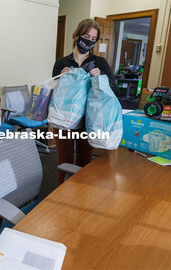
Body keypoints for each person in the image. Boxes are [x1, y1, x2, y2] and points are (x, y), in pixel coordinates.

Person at [51, 18, 119, 185]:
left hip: (89, 121)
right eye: (86, 36)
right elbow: (54, 93)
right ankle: (60, 197)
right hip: (64, 120)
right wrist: (61, 78)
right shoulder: (62, 62)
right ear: (76, 35)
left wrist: (100, 77)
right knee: (64, 161)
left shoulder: (99, 63)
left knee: (84, 161)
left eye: (93, 39)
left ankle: (82, 195)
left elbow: (114, 91)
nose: (88, 41)